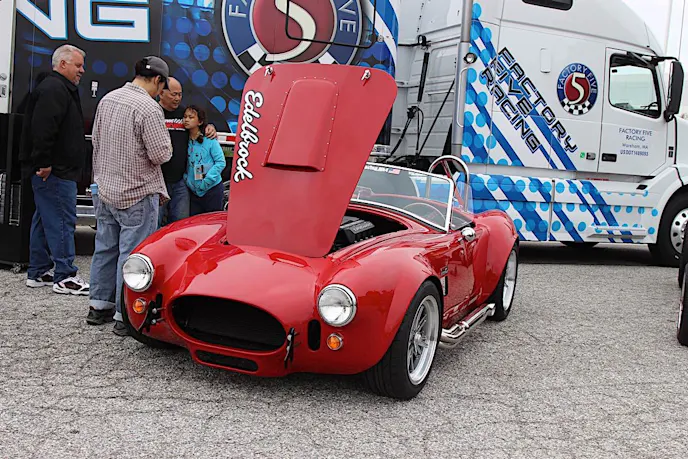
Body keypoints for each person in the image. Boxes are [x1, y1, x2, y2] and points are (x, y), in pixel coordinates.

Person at [87, 56, 173, 335]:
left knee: (105, 247)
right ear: (158, 80)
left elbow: (96, 140)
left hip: (105, 188)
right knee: (132, 254)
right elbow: (161, 154)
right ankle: (125, 315)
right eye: (163, 86)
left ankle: (98, 305)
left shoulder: (108, 99)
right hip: (136, 191)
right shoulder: (149, 108)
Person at [18, 44, 90, 295]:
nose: (82, 70)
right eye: (78, 65)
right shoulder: (54, 89)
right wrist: (44, 162)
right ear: (62, 64)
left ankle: (38, 271)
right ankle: (65, 276)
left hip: (55, 169)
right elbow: (43, 128)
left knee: (44, 219)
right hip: (55, 171)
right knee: (61, 220)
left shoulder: (57, 88)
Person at [158, 77, 217, 226]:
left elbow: (199, 124)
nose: (178, 98)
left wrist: (209, 127)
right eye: (174, 94)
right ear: (161, 93)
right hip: (157, 182)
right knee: (154, 225)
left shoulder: (184, 114)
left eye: (180, 94)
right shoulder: (153, 113)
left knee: (180, 225)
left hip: (181, 182)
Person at [183, 105, 226, 215]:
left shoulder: (210, 140)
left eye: (191, 117)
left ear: (200, 121)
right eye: (185, 117)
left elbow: (220, 162)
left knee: (212, 220)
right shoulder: (184, 140)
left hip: (212, 190)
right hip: (193, 192)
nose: (186, 120)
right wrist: (187, 180)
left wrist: (207, 181)